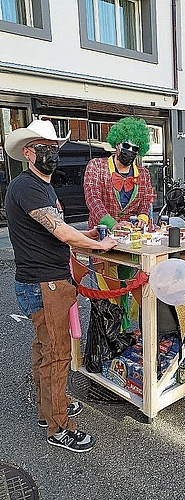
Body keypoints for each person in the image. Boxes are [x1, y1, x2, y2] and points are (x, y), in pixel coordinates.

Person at [5, 119, 118, 452]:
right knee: (57, 355)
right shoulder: (27, 186)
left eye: (54, 148)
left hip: (47, 281)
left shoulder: (44, 187)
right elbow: (60, 231)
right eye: (43, 148)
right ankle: (59, 428)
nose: (51, 154)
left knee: (44, 348)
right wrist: (99, 246)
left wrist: (90, 236)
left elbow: (62, 230)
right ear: (28, 152)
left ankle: (48, 411)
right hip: (45, 283)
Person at [83, 117, 154, 330]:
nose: (130, 151)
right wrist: (113, 224)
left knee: (127, 288)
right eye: (127, 146)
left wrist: (142, 220)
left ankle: (122, 333)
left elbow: (145, 204)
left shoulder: (143, 174)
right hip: (102, 241)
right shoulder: (96, 166)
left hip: (130, 244)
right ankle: (107, 338)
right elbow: (92, 199)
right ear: (116, 144)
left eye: (136, 148)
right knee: (105, 291)